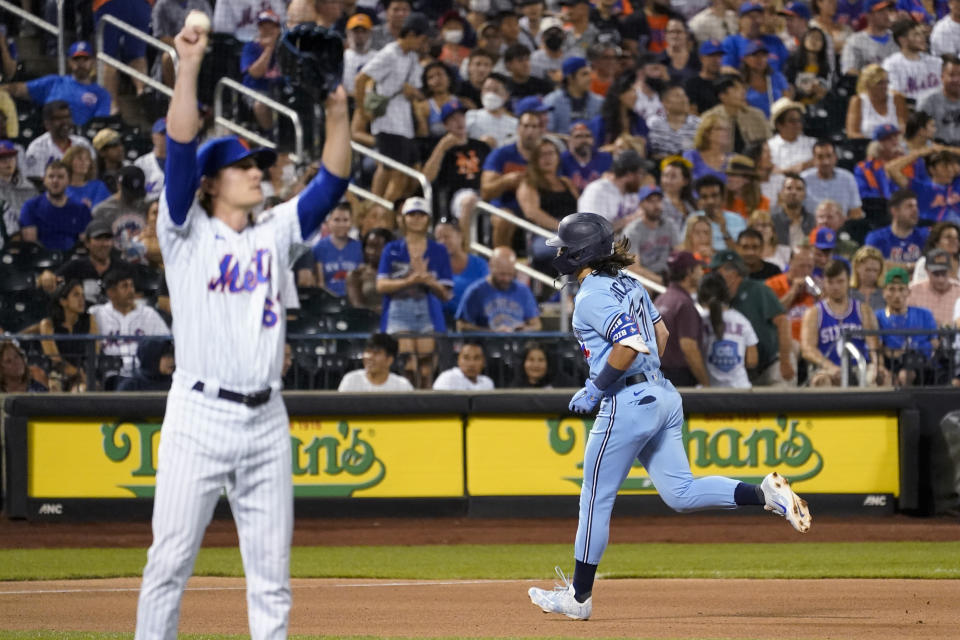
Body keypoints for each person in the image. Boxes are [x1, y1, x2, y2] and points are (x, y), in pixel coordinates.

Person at [133, 14, 350, 640]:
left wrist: (337, 105)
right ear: (210, 183)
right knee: (170, 562)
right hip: (198, 418)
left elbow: (332, 181)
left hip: (264, 420)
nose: (259, 171)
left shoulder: (275, 233)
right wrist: (190, 65)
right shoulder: (184, 232)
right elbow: (179, 146)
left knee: (272, 577)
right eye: (245, 166)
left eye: (261, 164)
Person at [527, 212, 810, 621]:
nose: (562, 254)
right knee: (680, 493)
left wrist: (598, 386)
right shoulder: (631, 282)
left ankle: (580, 596)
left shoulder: (591, 296)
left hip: (626, 400)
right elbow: (659, 336)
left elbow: (629, 344)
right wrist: (644, 378)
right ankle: (764, 494)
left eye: (566, 247)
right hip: (662, 395)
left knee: (594, 499)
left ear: (579, 253)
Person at [377, 197, 452, 387]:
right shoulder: (392, 249)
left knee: (426, 369)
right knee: (408, 366)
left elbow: (446, 294)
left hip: (429, 311)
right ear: (403, 218)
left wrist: (427, 280)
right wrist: (410, 280)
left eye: (421, 215)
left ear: (428, 218)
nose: (417, 219)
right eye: (412, 214)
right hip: (399, 311)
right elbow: (381, 285)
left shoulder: (439, 250)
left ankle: (426, 409)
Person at [354, 12, 428, 203]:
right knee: (391, 170)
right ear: (411, 34)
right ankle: (378, 208)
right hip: (387, 121)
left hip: (405, 123)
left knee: (408, 173)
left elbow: (417, 91)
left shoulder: (412, 57)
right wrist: (362, 111)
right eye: (422, 38)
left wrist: (412, 92)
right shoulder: (389, 53)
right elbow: (361, 79)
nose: (423, 43)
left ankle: (381, 207)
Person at [711, 249, 795, 385]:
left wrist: (785, 362)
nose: (713, 276)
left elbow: (783, 322)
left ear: (733, 272)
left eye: (716, 271)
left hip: (772, 363)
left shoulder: (758, 290)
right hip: (743, 371)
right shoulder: (718, 297)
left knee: (779, 404)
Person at [801, 259, 887, 386]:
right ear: (824, 282)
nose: (835, 287)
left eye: (840, 281)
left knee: (880, 377)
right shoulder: (814, 313)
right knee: (821, 381)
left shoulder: (863, 310)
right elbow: (808, 349)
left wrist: (878, 366)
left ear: (848, 281)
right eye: (830, 282)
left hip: (860, 366)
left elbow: (873, 343)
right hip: (827, 367)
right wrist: (830, 367)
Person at [0, 41, 110, 127]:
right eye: (76, 59)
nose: (81, 64)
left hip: (80, 139)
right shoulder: (54, 82)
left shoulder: (101, 94)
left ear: (93, 62)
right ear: (70, 62)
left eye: (85, 59)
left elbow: (99, 123)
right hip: (48, 134)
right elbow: (18, 89)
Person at [482, 108, 546, 247]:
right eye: (526, 126)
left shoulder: (546, 156)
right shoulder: (501, 154)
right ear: (518, 129)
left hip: (539, 206)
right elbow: (485, 191)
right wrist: (504, 181)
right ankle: (501, 262)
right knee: (504, 218)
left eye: (534, 126)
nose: (530, 131)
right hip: (506, 206)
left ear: (540, 131)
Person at [422, 101, 491, 224]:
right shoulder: (440, 148)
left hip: (483, 193)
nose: (459, 121)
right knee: (468, 200)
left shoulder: (481, 146)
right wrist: (441, 149)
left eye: (461, 116)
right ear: (445, 125)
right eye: (453, 119)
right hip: (456, 197)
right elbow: (427, 178)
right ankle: (465, 243)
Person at [874, 266, 939, 386]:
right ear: (884, 293)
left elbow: (935, 342)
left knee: (907, 373)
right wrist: (898, 354)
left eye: (901, 289)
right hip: (892, 363)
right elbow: (879, 346)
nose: (897, 294)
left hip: (922, 363)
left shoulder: (925, 314)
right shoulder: (878, 316)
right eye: (891, 289)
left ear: (908, 292)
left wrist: (916, 349)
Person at [654, 250, 711, 387]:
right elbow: (689, 348)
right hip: (679, 378)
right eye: (698, 269)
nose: (701, 273)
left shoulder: (661, 299)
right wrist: (706, 384)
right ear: (689, 272)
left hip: (658, 375)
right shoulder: (684, 304)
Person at [456, 246, 541, 332]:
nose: (506, 279)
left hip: (518, 342)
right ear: (490, 267)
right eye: (502, 274)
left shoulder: (523, 291)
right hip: (485, 342)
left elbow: (536, 325)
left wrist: (523, 330)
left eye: (510, 274)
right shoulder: (475, 291)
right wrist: (492, 332)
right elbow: (461, 326)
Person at [698, 271, 759, 387]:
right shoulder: (742, 320)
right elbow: (752, 361)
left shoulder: (699, 321)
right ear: (725, 294)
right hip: (740, 389)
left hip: (709, 391)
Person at [39, 279, 98, 392]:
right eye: (76, 295)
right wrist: (77, 373)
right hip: (59, 373)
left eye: (82, 295)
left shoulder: (90, 320)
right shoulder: (47, 324)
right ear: (63, 301)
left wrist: (86, 375)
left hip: (85, 372)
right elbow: (55, 359)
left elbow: (95, 351)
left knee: (83, 389)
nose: (82, 299)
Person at [19, 160, 91, 251]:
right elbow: (31, 245)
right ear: (44, 180)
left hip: (73, 260)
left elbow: (84, 243)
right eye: (51, 176)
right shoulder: (30, 207)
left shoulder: (81, 209)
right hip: (41, 259)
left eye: (60, 177)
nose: (55, 181)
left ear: (68, 180)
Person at [23, 100, 96, 183]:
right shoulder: (37, 147)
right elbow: (36, 181)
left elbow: (92, 174)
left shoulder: (83, 143)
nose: (65, 122)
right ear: (47, 123)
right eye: (58, 118)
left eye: (67, 117)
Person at [885, 146, 960, 224]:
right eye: (945, 167)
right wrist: (918, 154)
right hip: (932, 228)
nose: (950, 170)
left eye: (951, 167)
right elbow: (891, 168)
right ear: (932, 169)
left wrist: (946, 149)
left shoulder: (957, 184)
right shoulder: (920, 187)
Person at [577, 149, 646, 234]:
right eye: (640, 174)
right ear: (629, 174)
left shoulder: (631, 192)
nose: (642, 178)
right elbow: (593, 232)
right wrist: (630, 219)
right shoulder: (597, 191)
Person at [765, 244, 818, 353]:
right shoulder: (773, 284)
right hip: (784, 342)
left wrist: (820, 298)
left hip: (812, 342)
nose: (806, 271)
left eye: (810, 267)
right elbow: (771, 314)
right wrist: (793, 292)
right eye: (802, 266)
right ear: (790, 263)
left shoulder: (816, 286)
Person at [623, 186, 680, 284]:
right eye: (650, 201)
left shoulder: (669, 224)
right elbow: (633, 268)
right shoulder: (632, 231)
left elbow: (679, 253)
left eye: (658, 200)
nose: (656, 205)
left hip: (667, 273)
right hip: (646, 278)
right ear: (641, 205)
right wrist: (662, 281)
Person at [240, 10, 286, 132]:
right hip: (256, 90)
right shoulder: (251, 47)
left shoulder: (284, 47)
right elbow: (255, 73)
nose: (267, 30)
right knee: (261, 104)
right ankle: (271, 137)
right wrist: (269, 49)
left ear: (278, 30)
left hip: (280, 90)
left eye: (271, 27)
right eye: (263, 27)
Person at [434, 217, 488, 319]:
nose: (442, 242)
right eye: (438, 239)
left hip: (474, 320)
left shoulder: (480, 264)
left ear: (460, 236)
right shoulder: (433, 265)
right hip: (442, 320)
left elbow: (487, 294)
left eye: (447, 237)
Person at [864, 188, 929, 272]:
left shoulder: (925, 235)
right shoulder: (876, 237)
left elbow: (933, 263)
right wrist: (911, 266)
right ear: (894, 211)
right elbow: (873, 265)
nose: (915, 210)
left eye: (916, 206)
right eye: (909, 206)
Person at [882, 18, 943, 103]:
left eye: (922, 33)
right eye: (916, 35)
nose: (922, 37)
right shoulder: (892, 64)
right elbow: (893, 94)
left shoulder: (935, 62)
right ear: (903, 40)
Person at [801, 140, 864, 219]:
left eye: (829, 156)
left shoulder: (848, 178)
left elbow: (856, 211)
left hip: (842, 227)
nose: (826, 162)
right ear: (814, 159)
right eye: (820, 157)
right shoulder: (804, 179)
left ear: (835, 157)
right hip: (811, 228)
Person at [721, 2, 790, 73]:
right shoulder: (732, 42)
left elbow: (788, 65)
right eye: (751, 17)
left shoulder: (774, 41)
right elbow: (726, 69)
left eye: (759, 16)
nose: (756, 21)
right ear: (740, 20)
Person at [846, 64, 908, 139]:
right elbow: (852, 133)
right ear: (868, 84)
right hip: (868, 146)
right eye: (880, 83)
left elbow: (904, 128)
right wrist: (879, 141)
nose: (885, 86)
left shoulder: (897, 98)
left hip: (895, 144)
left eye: (886, 82)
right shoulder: (857, 101)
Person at [312, 203, 361, 297]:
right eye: (336, 220)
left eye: (345, 220)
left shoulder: (359, 247)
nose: (341, 224)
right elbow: (320, 283)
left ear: (351, 222)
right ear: (328, 221)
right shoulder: (319, 248)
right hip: (328, 301)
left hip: (354, 299)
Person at [544, 57, 604, 135]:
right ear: (570, 78)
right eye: (584, 74)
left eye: (590, 74)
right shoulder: (552, 101)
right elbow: (547, 133)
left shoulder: (599, 102)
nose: (590, 78)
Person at [337, 333, 415, 392]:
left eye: (376, 353)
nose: (370, 357)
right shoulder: (351, 380)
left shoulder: (402, 385)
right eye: (368, 352)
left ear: (389, 360)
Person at [840, 0, 899, 76]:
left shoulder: (898, 38)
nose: (887, 15)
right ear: (869, 15)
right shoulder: (855, 41)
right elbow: (849, 71)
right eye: (881, 11)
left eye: (889, 10)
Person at [688, 175, 745, 251]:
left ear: (722, 197)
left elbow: (741, 254)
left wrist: (724, 231)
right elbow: (685, 248)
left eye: (714, 196)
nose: (710, 201)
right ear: (699, 200)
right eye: (704, 197)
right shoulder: (693, 219)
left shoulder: (737, 220)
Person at [346, 227, 392, 315]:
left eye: (378, 247)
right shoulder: (356, 274)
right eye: (369, 246)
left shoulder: (399, 272)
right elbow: (358, 308)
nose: (372, 252)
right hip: (369, 323)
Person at [646, 84, 700, 159]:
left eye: (684, 96)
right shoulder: (655, 125)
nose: (684, 99)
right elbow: (652, 153)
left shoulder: (699, 124)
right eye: (678, 96)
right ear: (665, 103)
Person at [907, 248, 960, 325]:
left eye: (944, 273)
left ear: (950, 270)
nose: (940, 279)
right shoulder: (913, 291)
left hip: (953, 335)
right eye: (936, 274)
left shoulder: (958, 291)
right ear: (926, 270)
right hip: (922, 335)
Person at [466, 74, 518, 149]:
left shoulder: (514, 124)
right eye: (487, 89)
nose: (490, 94)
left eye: (496, 90)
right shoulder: (471, 116)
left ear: (506, 95)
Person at [740, 40, 790, 118]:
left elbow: (787, 104)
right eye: (755, 55)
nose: (760, 59)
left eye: (764, 55)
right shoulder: (740, 83)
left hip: (779, 123)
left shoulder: (777, 77)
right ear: (746, 59)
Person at [783, 27, 834, 104]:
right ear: (804, 39)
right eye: (811, 37)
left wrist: (821, 91)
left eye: (818, 39)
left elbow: (829, 87)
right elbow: (786, 84)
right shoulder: (792, 62)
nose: (814, 41)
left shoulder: (825, 66)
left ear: (823, 44)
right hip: (796, 103)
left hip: (819, 105)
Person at [0, 141, 36, 249]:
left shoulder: (29, 188)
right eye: (2, 159)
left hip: (28, 239)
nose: (8, 163)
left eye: (11, 158)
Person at [854, 123, 903, 200]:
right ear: (877, 144)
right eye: (889, 139)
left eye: (896, 137)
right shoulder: (863, 167)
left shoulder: (906, 162)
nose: (895, 142)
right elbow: (862, 194)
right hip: (877, 208)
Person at [560, 122, 613, 193]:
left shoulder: (605, 158)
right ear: (569, 141)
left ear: (593, 140)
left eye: (588, 136)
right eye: (578, 136)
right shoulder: (562, 160)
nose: (584, 140)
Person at [767, 99, 816, 174]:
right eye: (792, 121)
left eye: (799, 120)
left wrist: (806, 165)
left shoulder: (812, 143)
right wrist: (789, 171)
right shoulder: (769, 147)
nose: (797, 124)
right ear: (779, 125)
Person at [683, 112, 733, 183]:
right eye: (720, 128)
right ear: (706, 133)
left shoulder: (734, 159)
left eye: (728, 129)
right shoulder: (691, 156)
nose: (727, 132)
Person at [770, 173, 814, 247]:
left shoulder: (813, 221)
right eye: (789, 188)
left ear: (805, 194)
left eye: (799, 189)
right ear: (781, 193)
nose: (793, 192)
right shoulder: (771, 221)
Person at [63, 145, 110, 210]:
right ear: (69, 162)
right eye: (79, 159)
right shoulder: (61, 190)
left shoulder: (99, 187)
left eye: (87, 159)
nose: (84, 162)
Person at [685, 40, 725, 115]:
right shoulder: (692, 84)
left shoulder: (727, 82)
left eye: (719, 56)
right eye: (712, 56)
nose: (716, 60)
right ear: (701, 58)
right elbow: (692, 113)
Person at [342, 13, 376, 98]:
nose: (360, 35)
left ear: (370, 33)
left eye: (364, 31)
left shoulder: (379, 57)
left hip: (372, 102)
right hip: (348, 100)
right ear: (348, 33)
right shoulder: (342, 57)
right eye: (356, 31)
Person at [134, 119, 168, 202]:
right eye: (163, 133)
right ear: (153, 137)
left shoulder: (182, 163)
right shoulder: (141, 164)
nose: (167, 137)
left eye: (170, 133)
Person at [850, 245, 887, 310]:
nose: (872, 274)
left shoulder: (885, 293)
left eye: (875, 270)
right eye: (868, 270)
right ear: (856, 267)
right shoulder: (847, 293)